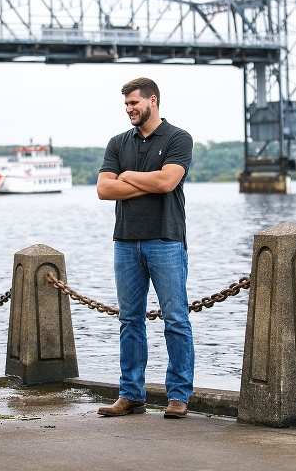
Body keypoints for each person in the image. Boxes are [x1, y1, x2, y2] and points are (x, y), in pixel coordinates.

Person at [96, 77, 195, 419]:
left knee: (176, 320)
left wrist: (126, 177)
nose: (129, 109)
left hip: (165, 240)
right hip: (125, 242)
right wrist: (147, 181)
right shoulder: (117, 142)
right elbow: (104, 190)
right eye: (126, 104)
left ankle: (178, 396)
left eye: (134, 103)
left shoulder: (178, 138)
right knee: (130, 321)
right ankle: (131, 394)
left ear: (153, 100)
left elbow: (168, 181)